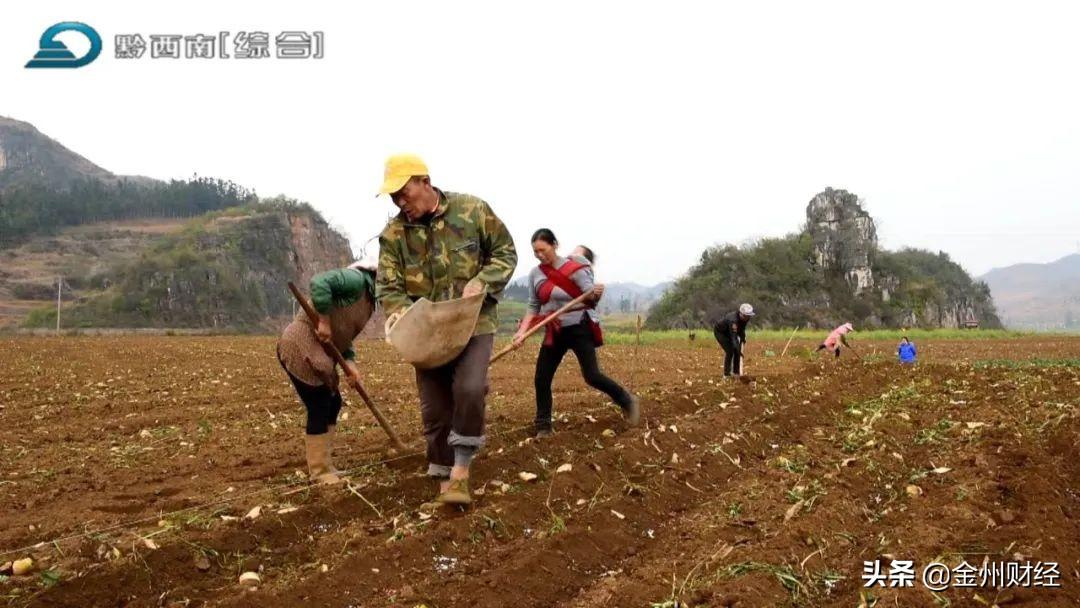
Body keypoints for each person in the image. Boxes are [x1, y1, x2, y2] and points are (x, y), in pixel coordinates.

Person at [376, 153, 517, 506]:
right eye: (393, 197)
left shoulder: (472, 210)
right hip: (427, 330)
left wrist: (483, 280)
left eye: (403, 192)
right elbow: (389, 288)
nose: (399, 202)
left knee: (470, 388)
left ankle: (461, 472)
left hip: (473, 321)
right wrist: (400, 315)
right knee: (435, 409)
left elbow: (505, 253)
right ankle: (443, 480)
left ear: (424, 181)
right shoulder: (394, 234)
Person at [514, 229, 639, 438]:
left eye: (543, 250)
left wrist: (596, 294)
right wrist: (522, 332)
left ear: (555, 245)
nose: (540, 255)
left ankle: (628, 401)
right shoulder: (535, 274)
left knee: (592, 376)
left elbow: (591, 299)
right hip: (554, 330)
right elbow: (533, 306)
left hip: (578, 327)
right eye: (535, 252)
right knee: (542, 378)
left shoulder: (576, 269)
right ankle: (543, 426)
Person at [276, 261, 376, 485]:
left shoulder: (369, 301)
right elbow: (320, 283)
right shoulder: (356, 280)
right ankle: (320, 472)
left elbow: (344, 336)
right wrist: (323, 320)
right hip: (300, 344)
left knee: (334, 402)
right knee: (320, 403)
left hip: (322, 353)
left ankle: (326, 465)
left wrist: (351, 365)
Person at [713, 303, 755, 377]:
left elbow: (742, 329)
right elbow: (734, 337)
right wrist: (738, 350)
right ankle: (726, 374)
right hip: (721, 332)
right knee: (730, 350)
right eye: (746, 316)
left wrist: (743, 339)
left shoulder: (745, 319)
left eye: (749, 316)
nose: (747, 318)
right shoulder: (733, 321)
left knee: (737, 351)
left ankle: (736, 373)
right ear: (741, 314)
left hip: (730, 332)